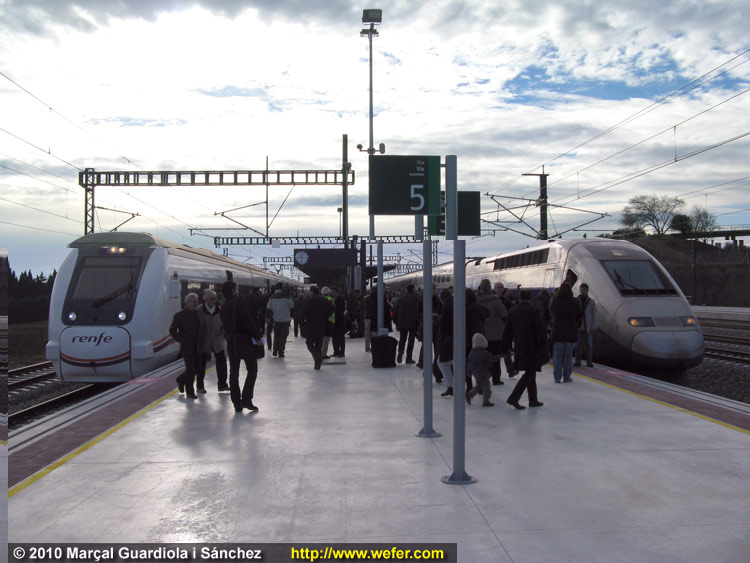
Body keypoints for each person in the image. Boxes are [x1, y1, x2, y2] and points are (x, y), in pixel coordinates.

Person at [220, 281, 264, 412]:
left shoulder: (224, 306)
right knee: (252, 370)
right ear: (233, 290)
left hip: (231, 342)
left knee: (234, 373)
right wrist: (257, 338)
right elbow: (248, 321)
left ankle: (236, 403)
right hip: (245, 342)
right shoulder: (240, 302)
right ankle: (246, 399)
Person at [503, 288, 546, 409]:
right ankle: (514, 398)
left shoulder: (513, 311)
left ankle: (533, 399)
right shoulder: (534, 311)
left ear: (519, 297)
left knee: (530, 371)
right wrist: (544, 342)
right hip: (533, 346)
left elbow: (507, 332)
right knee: (530, 372)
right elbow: (540, 329)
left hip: (519, 346)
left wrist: (504, 347)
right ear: (530, 298)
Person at [169, 293, 205, 399]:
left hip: (198, 346)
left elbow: (203, 327)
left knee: (197, 368)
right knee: (190, 369)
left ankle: (181, 379)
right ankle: (190, 392)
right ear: (188, 302)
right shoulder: (179, 315)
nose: (196, 304)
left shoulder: (198, 314)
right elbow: (172, 330)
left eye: (197, 301)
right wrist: (181, 340)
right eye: (194, 302)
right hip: (187, 347)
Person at [196, 289, 229, 393]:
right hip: (204, 341)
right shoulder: (199, 311)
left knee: (222, 363)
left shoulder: (220, 309)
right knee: (201, 365)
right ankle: (200, 386)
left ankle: (222, 385)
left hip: (217, 341)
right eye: (212, 298)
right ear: (205, 299)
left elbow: (224, 323)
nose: (214, 300)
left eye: (215, 298)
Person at [477, 279, 508, 386]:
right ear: (490, 288)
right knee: (495, 356)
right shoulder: (495, 300)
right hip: (495, 334)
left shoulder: (476, 300)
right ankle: (496, 378)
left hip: (481, 334)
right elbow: (504, 313)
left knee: (481, 357)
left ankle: (482, 378)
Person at [549, 282, 582, 383]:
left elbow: (550, 311)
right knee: (568, 355)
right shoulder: (575, 301)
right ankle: (567, 377)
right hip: (570, 330)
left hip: (558, 330)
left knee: (558, 355)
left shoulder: (555, 301)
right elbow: (579, 312)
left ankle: (557, 377)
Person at [299, 285, 335, 370]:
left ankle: (317, 357)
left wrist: (302, 323)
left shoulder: (309, 301)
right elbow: (333, 308)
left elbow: (302, 313)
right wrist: (326, 316)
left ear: (312, 292)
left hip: (311, 325)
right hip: (322, 325)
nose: (309, 292)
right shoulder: (324, 300)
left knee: (309, 343)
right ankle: (317, 364)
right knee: (318, 345)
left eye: (310, 291)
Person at [493, 282, 518, 377]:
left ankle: (510, 370)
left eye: (501, 288)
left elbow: (509, 315)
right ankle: (496, 373)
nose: (499, 290)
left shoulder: (506, 301)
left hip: (504, 329)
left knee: (505, 350)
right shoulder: (493, 300)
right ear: (494, 288)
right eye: (497, 288)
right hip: (494, 330)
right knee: (497, 351)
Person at [466, 333, 495, 407]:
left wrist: (469, 371)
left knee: (479, 385)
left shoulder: (471, 353)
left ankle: (469, 394)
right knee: (486, 386)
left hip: (475, 373)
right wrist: (498, 357)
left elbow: (469, 363)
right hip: (483, 372)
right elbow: (490, 360)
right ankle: (486, 401)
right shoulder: (484, 353)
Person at [266, 282, 295, 358]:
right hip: (285, 320)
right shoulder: (287, 296)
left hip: (276, 319)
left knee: (277, 335)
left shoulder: (272, 297)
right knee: (283, 336)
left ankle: (275, 350)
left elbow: (269, 308)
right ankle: (281, 352)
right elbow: (292, 306)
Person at [394, 284, 420, 364]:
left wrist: (396, 322)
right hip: (413, 323)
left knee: (402, 339)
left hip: (402, 323)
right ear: (413, 289)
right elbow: (419, 311)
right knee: (411, 341)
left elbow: (396, 310)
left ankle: (400, 352)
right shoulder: (417, 298)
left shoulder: (401, 298)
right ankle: (409, 358)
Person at [574, 283, 597, 368]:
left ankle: (589, 362)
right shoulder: (576, 300)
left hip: (588, 326)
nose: (582, 291)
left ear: (587, 291)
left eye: (584, 289)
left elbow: (595, 314)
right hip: (579, 326)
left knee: (589, 345)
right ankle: (577, 360)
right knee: (578, 344)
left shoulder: (591, 302)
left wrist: (594, 326)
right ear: (579, 290)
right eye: (581, 289)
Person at [437, 289, 454, 396]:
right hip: (453, 337)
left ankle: (450, 386)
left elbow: (445, 323)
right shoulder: (454, 304)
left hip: (447, 338)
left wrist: (437, 320)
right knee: (445, 362)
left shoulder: (447, 307)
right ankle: (450, 386)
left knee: (442, 362)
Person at [320, 286, 335, 359]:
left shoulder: (319, 299)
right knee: (326, 338)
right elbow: (332, 311)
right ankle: (324, 354)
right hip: (328, 321)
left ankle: (319, 352)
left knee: (320, 338)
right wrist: (332, 322)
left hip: (320, 321)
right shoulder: (330, 299)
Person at [332, 287, 347, 357]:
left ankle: (342, 352)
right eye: (332, 292)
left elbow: (341, 310)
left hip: (340, 321)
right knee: (334, 337)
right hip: (333, 322)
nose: (332, 294)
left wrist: (334, 310)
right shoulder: (331, 300)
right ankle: (336, 351)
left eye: (334, 292)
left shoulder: (341, 300)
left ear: (337, 292)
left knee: (341, 338)